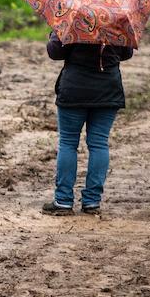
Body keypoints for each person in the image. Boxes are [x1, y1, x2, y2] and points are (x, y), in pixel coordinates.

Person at [41, 30, 134, 216]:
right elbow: (127, 53)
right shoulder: (117, 19)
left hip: (75, 89)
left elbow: (55, 51)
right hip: (108, 89)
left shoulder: (73, 18)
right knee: (99, 143)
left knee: (68, 143)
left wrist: (56, 30)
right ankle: (92, 201)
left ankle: (63, 201)